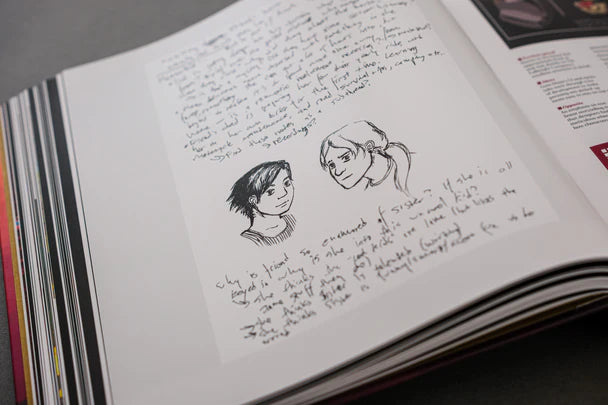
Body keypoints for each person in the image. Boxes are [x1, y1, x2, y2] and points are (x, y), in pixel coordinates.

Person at [319, 120, 412, 195]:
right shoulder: (366, 193)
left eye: (346, 157)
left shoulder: (408, 168)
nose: (338, 172)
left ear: (369, 146)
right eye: (332, 165)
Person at [227, 160, 296, 247]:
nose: (284, 193)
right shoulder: (248, 241)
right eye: (271, 191)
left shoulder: (293, 221)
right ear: (253, 200)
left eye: (287, 183)